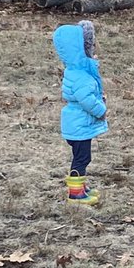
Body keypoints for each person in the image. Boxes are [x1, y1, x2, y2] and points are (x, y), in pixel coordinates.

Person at [53, 19, 108, 206]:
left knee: (81, 157)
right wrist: (101, 110)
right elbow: (87, 100)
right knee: (82, 158)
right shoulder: (81, 75)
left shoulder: (76, 71)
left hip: (77, 124)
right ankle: (75, 193)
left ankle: (80, 187)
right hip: (79, 125)